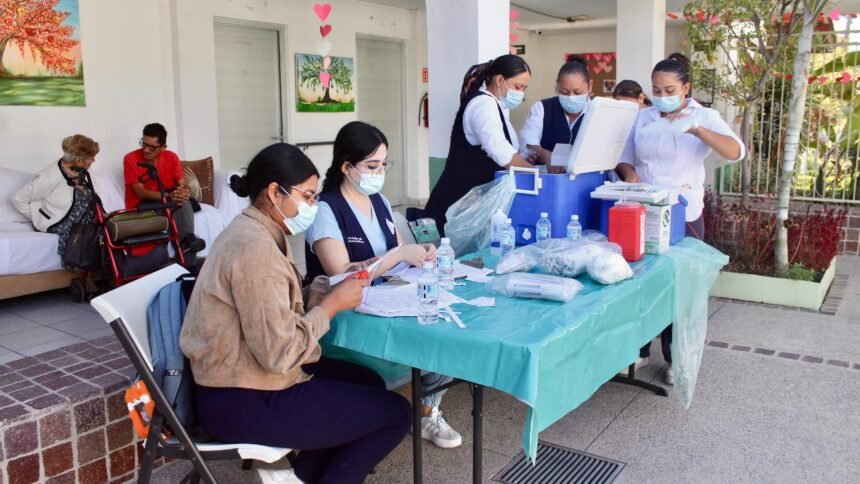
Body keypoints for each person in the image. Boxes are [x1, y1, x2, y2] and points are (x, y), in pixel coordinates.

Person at [180, 143, 411, 484]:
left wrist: (326, 288)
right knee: (396, 414)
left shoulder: (260, 230)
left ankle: (298, 478)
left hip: (245, 378)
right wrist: (331, 306)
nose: (312, 207)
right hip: (242, 398)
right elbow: (280, 354)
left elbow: (273, 306)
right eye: (308, 197)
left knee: (368, 382)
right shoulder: (255, 249)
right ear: (275, 192)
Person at [305, 121, 463, 449]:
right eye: (371, 166)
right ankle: (393, 409)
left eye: (383, 165)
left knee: (448, 327)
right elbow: (341, 274)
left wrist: (420, 253)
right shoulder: (326, 209)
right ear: (346, 167)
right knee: (431, 336)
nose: (379, 173)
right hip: (344, 312)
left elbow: (400, 254)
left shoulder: (379, 202)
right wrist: (398, 255)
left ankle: (427, 410)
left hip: (385, 298)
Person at [616, 53, 744, 384]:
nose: (662, 96)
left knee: (680, 286)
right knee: (641, 281)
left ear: (685, 88)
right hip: (644, 209)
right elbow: (625, 158)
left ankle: (676, 357)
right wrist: (630, 177)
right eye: (656, 90)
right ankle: (639, 350)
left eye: (669, 90)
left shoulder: (705, 116)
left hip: (683, 214)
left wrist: (698, 130)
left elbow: (736, 151)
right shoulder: (643, 117)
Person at [422, 54, 535, 233]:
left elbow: (507, 150)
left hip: (471, 206)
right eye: (518, 87)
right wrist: (538, 175)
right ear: (500, 80)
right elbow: (501, 152)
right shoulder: (483, 105)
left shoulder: (495, 106)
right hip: (457, 203)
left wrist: (527, 157)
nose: (521, 93)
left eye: (524, 88)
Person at [12, 134, 99, 272]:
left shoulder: (84, 170)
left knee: (105, 230)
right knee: (83, 235)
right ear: (78, 160)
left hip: (88, 216)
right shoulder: (49, 176)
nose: (94, 160)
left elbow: (93, 192)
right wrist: (39, 217)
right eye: (91, 157)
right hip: (61, 221)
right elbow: (18, 198)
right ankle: (85, 272)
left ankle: (107, 272)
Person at [123, 123, 204, 269]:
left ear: (163, 147)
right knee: (174, 205)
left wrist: (183, 192)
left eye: (152, 147)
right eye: (144, 144)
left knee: (183, 202)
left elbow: (182, 183)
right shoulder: (130, 159)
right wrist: (169, 195)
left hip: (167, 199)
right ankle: (186, 250)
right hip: (142, 203)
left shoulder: (171, 157)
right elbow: (140, 192)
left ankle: (189, 261)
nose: (146, 150)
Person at [519, 56, 592, 166]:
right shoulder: (542, 108)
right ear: (557, 87)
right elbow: (528, 143)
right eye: (564, 92)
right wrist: (548, 157)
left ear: (590, 86)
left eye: (577, 92)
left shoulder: (598, 112)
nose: (571, 97)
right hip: (547, 175)